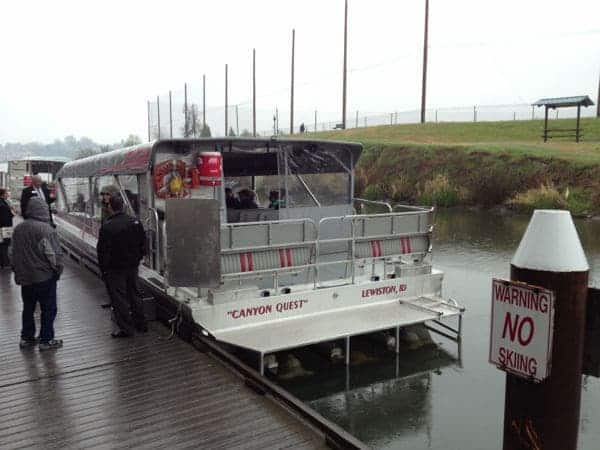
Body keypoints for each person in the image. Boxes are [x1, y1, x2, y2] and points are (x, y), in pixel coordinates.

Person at [12, 197, 63, 350]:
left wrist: (17, 269)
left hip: (25, 277)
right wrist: (58, 271)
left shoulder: (19, 229)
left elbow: (11, 252)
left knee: (28, 307)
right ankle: (46, 340)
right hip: (43, 277)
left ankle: (27, 338)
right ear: (43, 210)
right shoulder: (46, 230)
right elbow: (53, 255)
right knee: (48, 308)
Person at [97, 195, 147, 337]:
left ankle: (126, 328)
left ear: (110, 207)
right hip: (133, 265)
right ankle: (141, 323)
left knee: (119, 298)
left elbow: (102, 251)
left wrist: (104, 270)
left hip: (115, 268)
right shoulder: (135, 222)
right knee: (135, 294)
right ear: (123, 207)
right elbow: (143, 243)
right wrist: (139, 257)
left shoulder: (107, 226)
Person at [0, 188, 14, 268]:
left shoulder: (3, 202)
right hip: (4, 228)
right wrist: (12, 214)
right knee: (4, 245)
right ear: (2, 194)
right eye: (6, 193)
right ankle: (5, 263)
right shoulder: (2, 204)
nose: (8, 194)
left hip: (3, 227)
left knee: (3, 244)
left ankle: (4, 262)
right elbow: (5, 217)